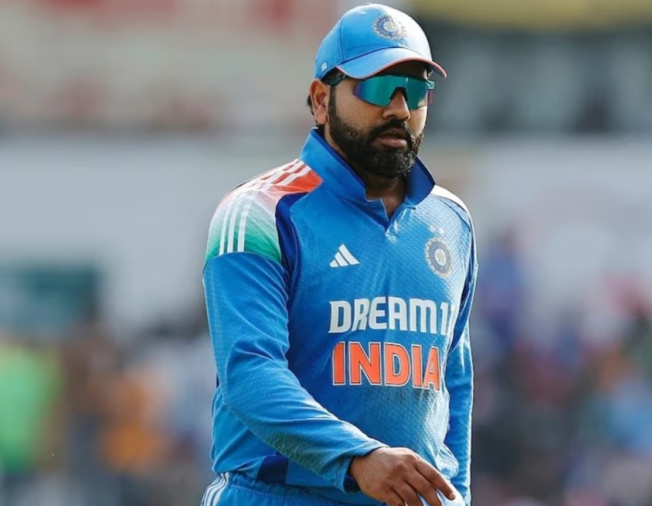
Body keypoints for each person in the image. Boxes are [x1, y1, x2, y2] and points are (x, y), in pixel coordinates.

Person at [200, 4, 478, 506]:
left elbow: (452, 380)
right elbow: (250, 374)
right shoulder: (261, 212)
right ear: (320, 100)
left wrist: (455, 497)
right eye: (377, 87)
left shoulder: (450, 220)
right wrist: (357, 458)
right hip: (277, 496)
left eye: (415, 91)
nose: (399, 109)